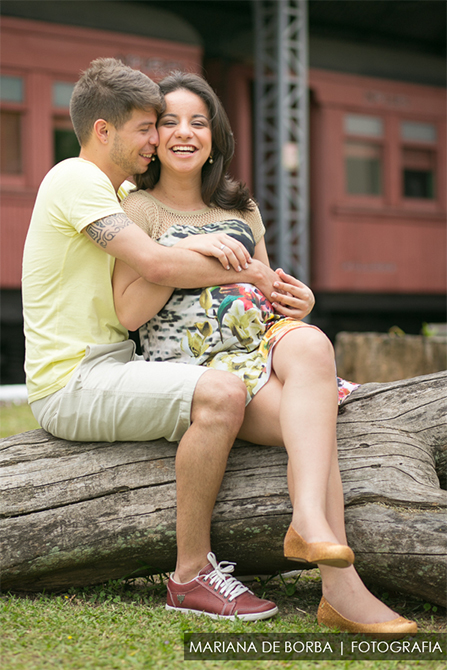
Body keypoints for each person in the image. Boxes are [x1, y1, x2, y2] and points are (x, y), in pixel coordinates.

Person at [114, 71, 417, 637]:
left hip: (263, 343)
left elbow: (265, 289)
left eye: (198, 122)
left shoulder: (240, 205)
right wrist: (188, 248)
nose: (185, 133)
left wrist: (295, 298)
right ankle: (342, 592)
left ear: (215, 136)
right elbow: (129, 313)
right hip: (197, 368)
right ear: (152, 137)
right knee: (316, 423)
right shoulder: (138, 210)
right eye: (170, 122)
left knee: (311, 338)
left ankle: (306, 520)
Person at [22, 58, 280, 622]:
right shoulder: (75, 179)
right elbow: (158, 266)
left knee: (231, 385)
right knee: (220, 394)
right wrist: (246, 269)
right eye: (147, 127)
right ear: (103, 130)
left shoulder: (116, 189)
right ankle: (190, 577)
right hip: (72, 380)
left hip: (114, 365)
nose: (157, 138)